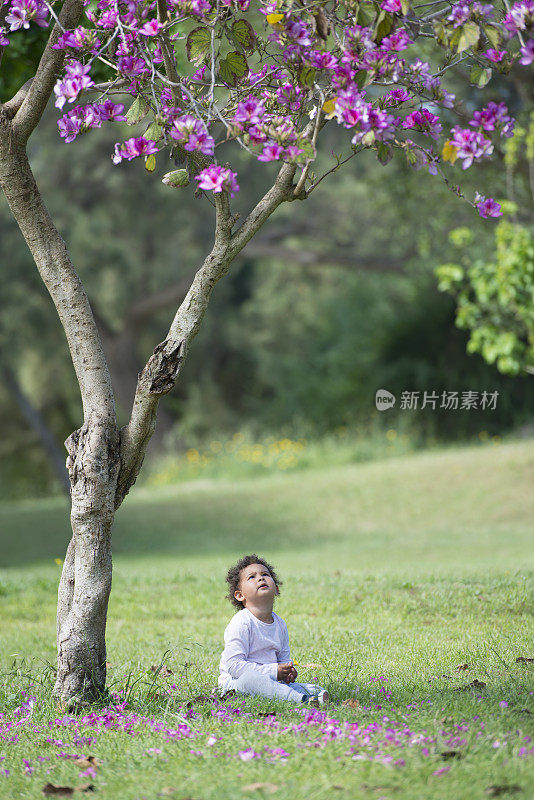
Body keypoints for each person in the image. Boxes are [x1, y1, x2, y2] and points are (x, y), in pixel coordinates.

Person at [218, 553, 330, 706]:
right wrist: (273, 671)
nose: (260, 578)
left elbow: (283, 660)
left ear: (276, 589)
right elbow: (233, 666)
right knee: (253, 680)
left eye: (265, 574)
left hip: (271, 680)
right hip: (238, 684)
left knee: (313, 688)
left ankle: (310, 696)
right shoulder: (242, 622)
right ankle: (300, 700)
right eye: (251, 577)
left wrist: (287, 673)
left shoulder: (280, 624)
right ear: (240, 595)